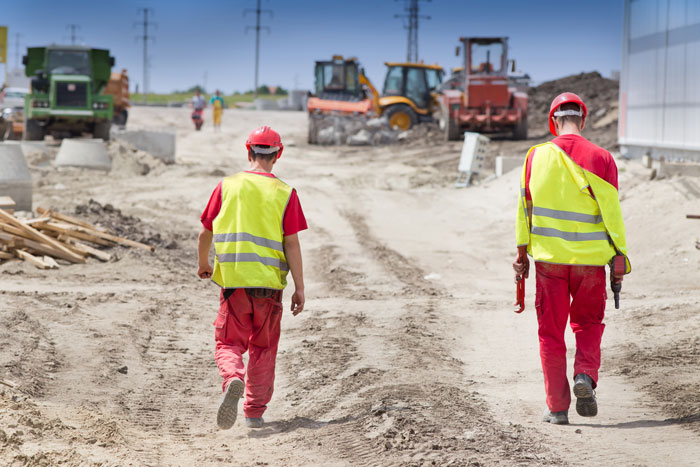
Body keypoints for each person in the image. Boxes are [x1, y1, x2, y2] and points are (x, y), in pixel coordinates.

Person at [513, 92, 630, 425]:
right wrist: (619, 260)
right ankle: (585, 376)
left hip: (550, 263)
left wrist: (521, 254)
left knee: (550, 334)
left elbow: (525, 209)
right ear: (583, 119)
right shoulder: (603, 158)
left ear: (553, 120)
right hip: (591, 264)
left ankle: (557, 408)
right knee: (589, 325)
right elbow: (613, 217)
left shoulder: (535, 157)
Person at [198, 125, 307, 430]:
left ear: (248, 151)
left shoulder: (227, 186)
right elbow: (292, 244)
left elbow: (206, 231)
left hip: (234, 284)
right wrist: (300, 288)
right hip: (269, 287)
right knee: (263, 348)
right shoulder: (286, 193)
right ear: (278, 154)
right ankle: (254, 412)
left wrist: (203, 264)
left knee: (229, 343)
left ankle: (233, 377)